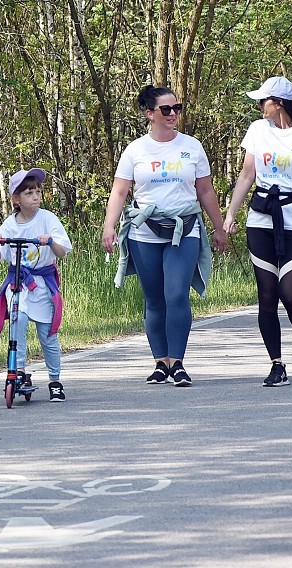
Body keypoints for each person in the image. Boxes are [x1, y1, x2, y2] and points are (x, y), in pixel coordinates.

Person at [102, 85, 227, 387]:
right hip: (145, 233)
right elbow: (120, 190)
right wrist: (110, 226)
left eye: (177, 108)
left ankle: (178, 362)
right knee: (154, 299)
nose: (173, 114)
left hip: (184, 230)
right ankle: (160, 362)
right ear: (149, 114)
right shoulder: (136, 150)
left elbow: (205, 190)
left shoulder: (192, 147)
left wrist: (219, 227)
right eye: (166, 110)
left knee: (176, 295)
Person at [224, 76, 292, 387]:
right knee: (267, 295)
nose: (260, 106)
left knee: (290, 293)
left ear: (280, 103)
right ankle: (276, 364)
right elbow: (247, 174)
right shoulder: (258, 130)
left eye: (264, 101)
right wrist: (231, 214)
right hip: (261, 219)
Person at [0, 167, 73, 402]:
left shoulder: (47, 219)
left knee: (47, 335)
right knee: (18, 321)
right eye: (29, 193)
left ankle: (55, 381)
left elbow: (63, 251)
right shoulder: (10, 224)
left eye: (37, 192)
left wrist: (50, 242)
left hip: (42, 284)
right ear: (17, 199)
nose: (35, 196)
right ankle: (19, 372)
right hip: (18, 284)